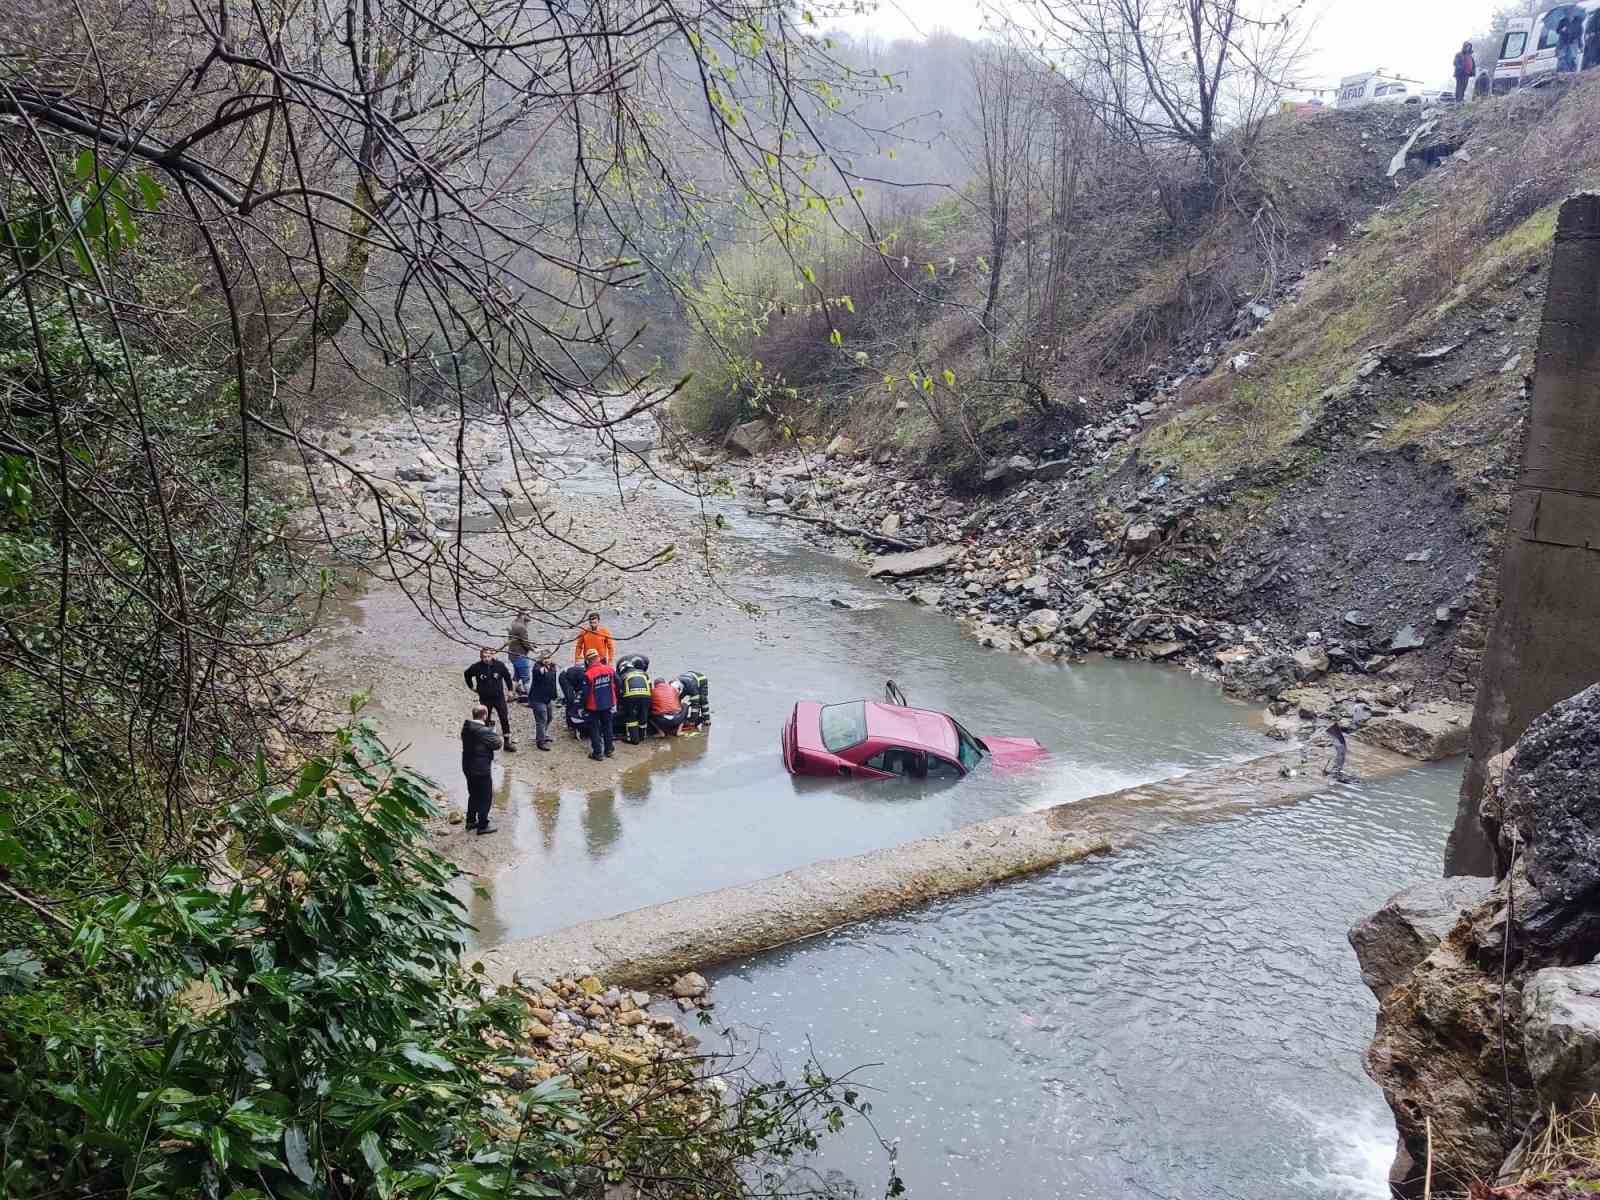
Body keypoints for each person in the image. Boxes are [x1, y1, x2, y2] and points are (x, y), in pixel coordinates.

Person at [460, 704, 502, 834]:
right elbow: (497, 744)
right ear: (485, 715)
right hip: (481, 768)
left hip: (467, 766)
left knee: (473, 794)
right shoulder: (483, 731)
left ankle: (471, 821)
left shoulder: (466, 728)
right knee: (485, 796)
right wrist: (492, 731)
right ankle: (482, 825)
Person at [464, 648, 516, 751]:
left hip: (499, 697)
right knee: (485, 719)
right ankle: (486, 742)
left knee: (504, 718)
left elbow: (507, 677)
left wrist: (510, 690)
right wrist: (471, 687)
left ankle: (507, 742)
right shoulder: (477, 667)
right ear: (481, 657)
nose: (486, 659)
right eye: (484, 657)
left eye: (488, 656)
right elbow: (467, 674)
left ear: (492, 656)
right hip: (485, 698)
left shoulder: (499, 665)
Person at [581, 648, 617, 760]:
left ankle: (598, 753)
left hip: (593, 706)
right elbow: (619, 682)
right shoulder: (609, 670)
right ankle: (609, 750)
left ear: (587, 660)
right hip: (608, 703)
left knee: (595, 729)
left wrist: (582, 707)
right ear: (598, 658)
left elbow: (585, 694)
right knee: (608, 727)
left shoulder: (588, 674)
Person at [618, 657, 652, 744]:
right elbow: (650, 686)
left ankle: (633, 739)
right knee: (643, 714)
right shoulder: (644, 673)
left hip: (630, 696)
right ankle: (642, 736)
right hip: (646, 695)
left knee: (630, 716)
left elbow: (619, 691)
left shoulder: (622, 676)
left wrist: (620, 704)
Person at [528, 651, 558, 750]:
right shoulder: (537, 668)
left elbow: (553, 681)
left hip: (547, 698)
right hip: (537, 699)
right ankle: (540, 742)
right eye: (544, 658)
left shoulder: (553, 666)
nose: (547, 660)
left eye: (548, 658)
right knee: (541, 720)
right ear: (541, 659)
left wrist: (554, 695)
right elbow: (538, 672)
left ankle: (542, 734)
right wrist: (541, 670)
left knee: (549, 717)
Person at [507, 609, 534, 698]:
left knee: (516, 676)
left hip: (512, 655)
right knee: (526, 679)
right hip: (520, 656)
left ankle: (511, 695)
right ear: (523, 615)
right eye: (529, 614)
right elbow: (525, 643)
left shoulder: (514, 623)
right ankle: (532, 699)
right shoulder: (521, 627)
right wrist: (534, 649)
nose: (530, 616)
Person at [559, 661, 590, 737]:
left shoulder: (586, 673)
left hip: (572, 677)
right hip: (565, 678)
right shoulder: (584, 675)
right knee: (570, 700)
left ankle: (574, 716)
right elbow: (581, 690)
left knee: (576, 699)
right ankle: (570, 723)